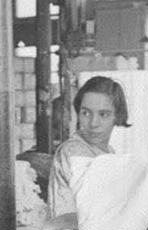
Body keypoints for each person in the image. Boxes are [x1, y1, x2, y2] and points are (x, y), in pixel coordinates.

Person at [47, 76, 130, 218]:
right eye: (86, 113)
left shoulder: (109, 152)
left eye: (103, 114)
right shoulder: (74, 151)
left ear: (117, 116)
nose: (93, 123)